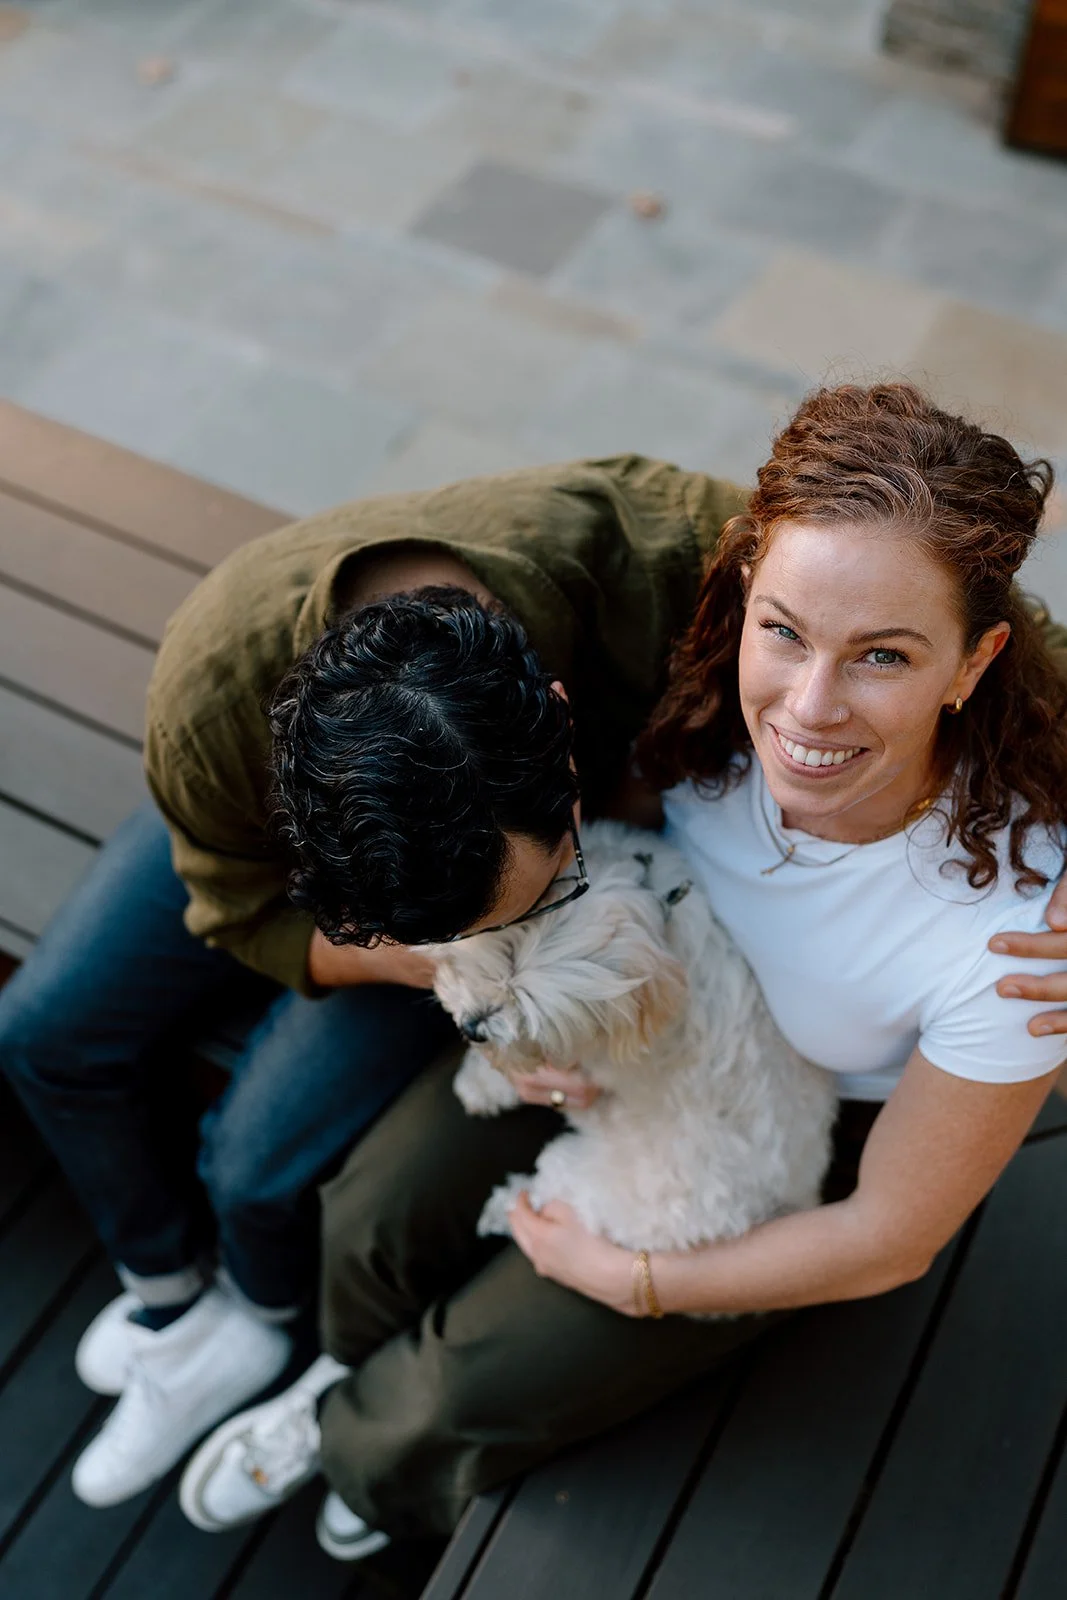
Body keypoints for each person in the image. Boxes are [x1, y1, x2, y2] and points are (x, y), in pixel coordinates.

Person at [179, 382, 1067, 1563]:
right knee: (371, 1211)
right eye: (787, 630)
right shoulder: (692, 694)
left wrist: (636, 1276)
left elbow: (891, 1235)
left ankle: (363, 1453)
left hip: (775, 1142)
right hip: (620, 1022)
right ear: (747, 595)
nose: (807, 708)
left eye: (884, 656)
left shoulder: (1015, 932)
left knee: (462, 1386)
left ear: (974, 659)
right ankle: (335, 1370)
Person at [0, 457, 750, 1508]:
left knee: (255, 1164)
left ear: (560, 720)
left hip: (432, 858)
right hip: (279, 854)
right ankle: (170, 1301)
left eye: (532, 902)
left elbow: (981, 608)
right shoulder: (212, 693)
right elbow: (237, 905)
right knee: (39, 1031)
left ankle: (252, 1324)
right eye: (470, 937)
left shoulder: (674, 547)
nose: (488, 960)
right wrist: (426, 957)